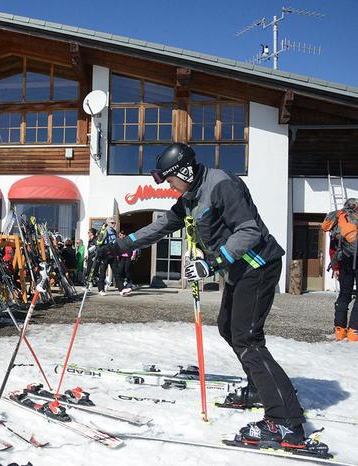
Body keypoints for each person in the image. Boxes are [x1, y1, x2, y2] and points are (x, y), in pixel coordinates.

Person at [106, 143, 306, 445]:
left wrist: (212, 262)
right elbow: (161, 227)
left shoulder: (221, 184)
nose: (172, 187)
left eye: (172, 181)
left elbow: (249, 231)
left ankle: (286, 422)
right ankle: (259, 388)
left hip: (258, 266)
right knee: (229, 328)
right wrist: (122, 244)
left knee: (247, 338)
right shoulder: (188, 197)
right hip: (238, 271)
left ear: (184, 171)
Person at [323, 198, 358, 341]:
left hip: (344, 262)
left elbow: (333, 248)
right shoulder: (355, 219)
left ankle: (339, 330)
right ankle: (354, 332)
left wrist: (336, 267)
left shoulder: (337, 220)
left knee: (344, 295)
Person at [97, 217, 118, 296]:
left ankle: (121, 289)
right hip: (105, 253)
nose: (114, 224)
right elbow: (99, 243)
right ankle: (101, 289)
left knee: (116, 271)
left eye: (114, 223)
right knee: (102, 272)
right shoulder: (105, 231)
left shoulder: (114, 231)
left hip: (112, 253)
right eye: (112, 223)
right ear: (108, 223)